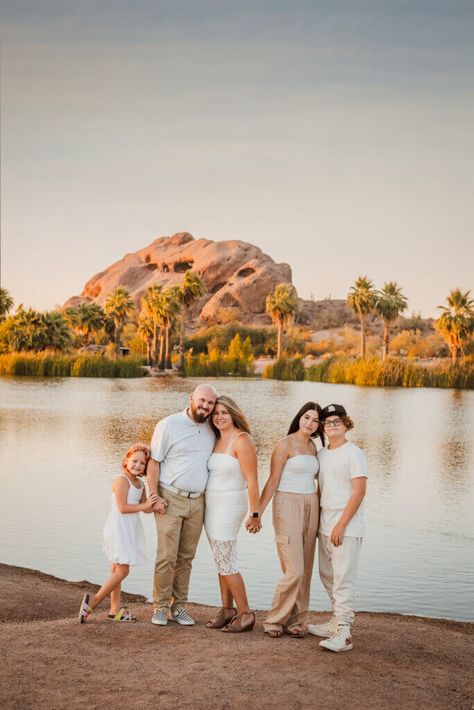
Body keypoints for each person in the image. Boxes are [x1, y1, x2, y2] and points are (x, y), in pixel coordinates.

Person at [147, 384, 217, 626]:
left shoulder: (212, 427)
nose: (205, 406)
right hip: (170, 498)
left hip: (198, 501)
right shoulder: (169, 425)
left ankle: (179, 607)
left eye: (210, 403)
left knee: (186, 557)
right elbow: (154, 462)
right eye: (202, 401)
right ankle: (160, 607)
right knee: (167, 556)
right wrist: (154, 497)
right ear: (191, 399)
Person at [260, 402, 324, 638]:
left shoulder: (313, 447)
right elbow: (272, 480)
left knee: (306, 569)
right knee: (294, 569)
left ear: (319, 426)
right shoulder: (284, 444)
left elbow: (319, 483)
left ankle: (297, 621)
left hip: (311, 506)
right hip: (287, 505)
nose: (310, 423)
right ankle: (275, 620)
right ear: (299, 418)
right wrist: (256, 512)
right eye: (307, 417)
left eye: (315, 420)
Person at [308, 403, 368, 653]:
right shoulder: (322, 454)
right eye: (327, 422)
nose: (331, 426)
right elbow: (322, 490)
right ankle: (335, 620)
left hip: (346, 527)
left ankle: (345, 632)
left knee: (343, 578)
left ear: (346, 425)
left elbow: (359, 491)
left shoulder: (354, 453)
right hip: (325, 524)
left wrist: (341, 525)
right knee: (327, 575)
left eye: (336, 422)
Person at [78, 443, 158, 623]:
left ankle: (115, 610)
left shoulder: (139, 483)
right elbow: (122, 508)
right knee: (123, 570)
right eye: (134, 461)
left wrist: (156, 504)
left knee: (115, 569)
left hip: (130, 528)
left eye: (142, 463)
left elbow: (145, 508)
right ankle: (94, 601)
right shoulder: (122, 480)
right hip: (119, 527)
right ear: (126, 460)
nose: (138, 465)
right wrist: (144, 506)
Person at [204, 396, 261, 633]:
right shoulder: (216, 438)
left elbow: (252, 480)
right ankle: (227, 610)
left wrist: (255, 513)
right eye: (215, 413)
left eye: (224, 412)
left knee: (227, 560)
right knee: (220, 560)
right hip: (211, 508)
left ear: (234, 414)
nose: (219, 417)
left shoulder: (242, 440)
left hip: (230, 507)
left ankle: (245, 613)